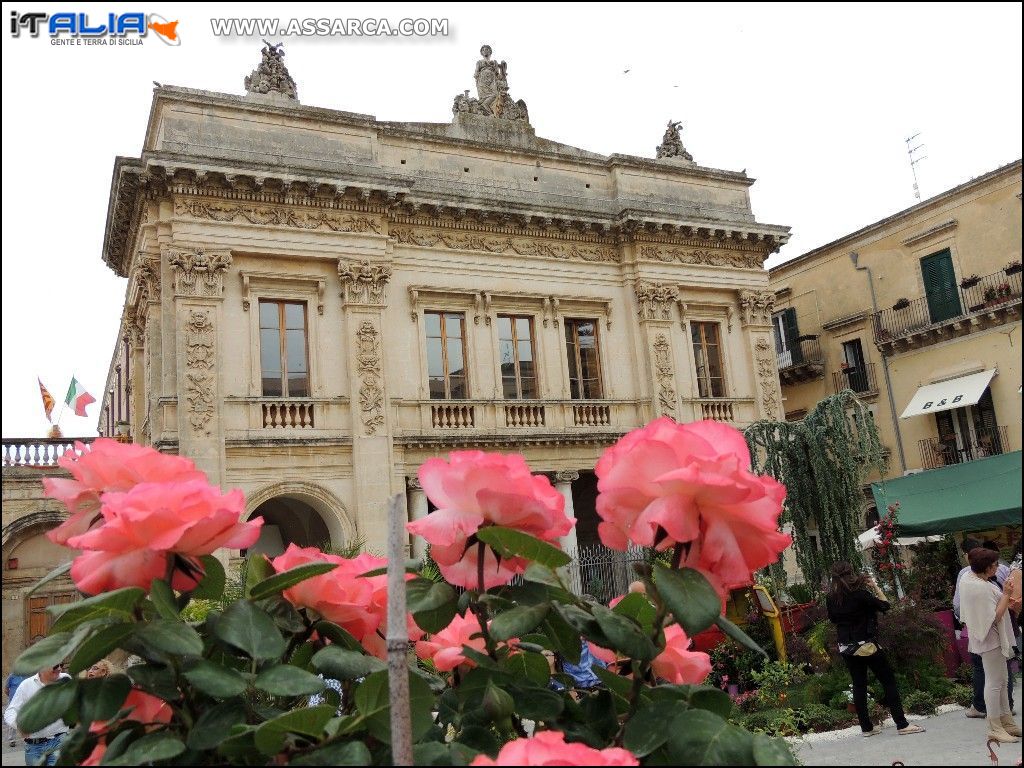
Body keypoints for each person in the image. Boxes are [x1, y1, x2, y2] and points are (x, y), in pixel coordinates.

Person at [826, 562, 924, 737]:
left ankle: (866, 728)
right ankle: (902, 724)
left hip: (846, 647)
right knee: (888, 682)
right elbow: (885, 606)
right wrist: (876, 587)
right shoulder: (861, 595)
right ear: (851, 574)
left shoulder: (831, 598)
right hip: (866, 645)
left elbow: (833, 619)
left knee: (859, 684)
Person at [959, 547, 1021, 743]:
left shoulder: (970, 578)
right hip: (990, 638)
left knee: (1001, 680)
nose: (997, 567)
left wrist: (1004, 597)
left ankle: (1006, 721)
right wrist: (1006, 594)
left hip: (988, 637)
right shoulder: (979, 587)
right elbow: (994, 616)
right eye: (994, 565)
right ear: (986, 567)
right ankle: (994, 726)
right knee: (995, 683)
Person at [3, 663, 72, 766]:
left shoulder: (66, 679)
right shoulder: (26, 685)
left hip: (59, 741)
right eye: (55, 666)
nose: (59, 669)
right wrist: (19, 725)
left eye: (61, 665)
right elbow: (10, 711)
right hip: (34, 747)